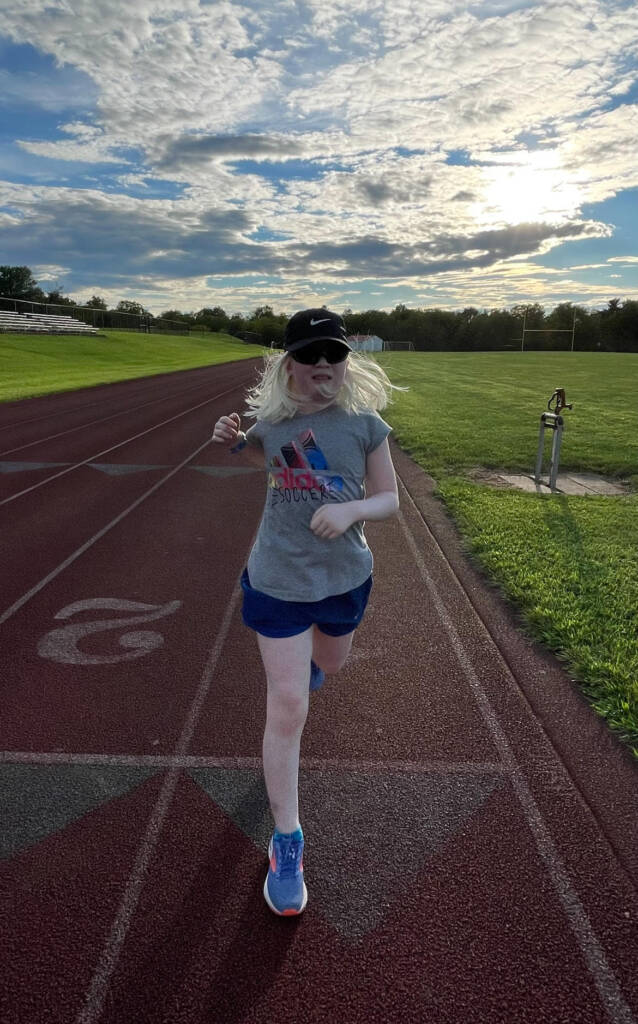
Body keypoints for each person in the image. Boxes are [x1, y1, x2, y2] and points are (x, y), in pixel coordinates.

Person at [212, 308, 402, 917]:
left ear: (347, 362)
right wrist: (234, 440)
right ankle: (286, 841)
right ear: (288, 364)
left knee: (331, 665)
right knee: (289, 706)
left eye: (334, 355)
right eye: (311, 355)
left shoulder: (366, 425)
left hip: (344, 579)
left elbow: (390, 498)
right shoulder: (273, 422)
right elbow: (258, 458)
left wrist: (351, 512)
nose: (324, 365)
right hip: (278, 578)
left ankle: (314, 670)